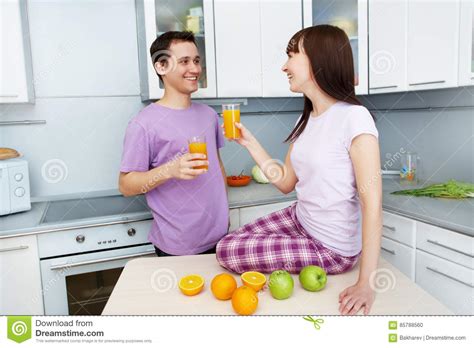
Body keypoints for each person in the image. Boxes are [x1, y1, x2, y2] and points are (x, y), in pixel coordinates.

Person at [216, 25, 382, 315]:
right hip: (300, 218)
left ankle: (296, 254)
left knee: (227, 253)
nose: (284, 66)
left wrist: (365, 283)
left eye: (292, 55)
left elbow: (373, 205)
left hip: (331, 248)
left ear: (319, 60)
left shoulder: (355, 119)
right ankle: (291, 251)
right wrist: (249, 142)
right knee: (228, 243)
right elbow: (285, 182)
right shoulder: (304, 121)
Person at [119, 31, 228, 257]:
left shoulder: (208, 115)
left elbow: (218, 168)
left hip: (220, 236)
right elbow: (126, 186)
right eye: (184, 62)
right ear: (162, 67)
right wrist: (170, 170)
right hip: (178, 244)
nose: (195, 69)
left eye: (197, 61)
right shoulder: (143, 124)